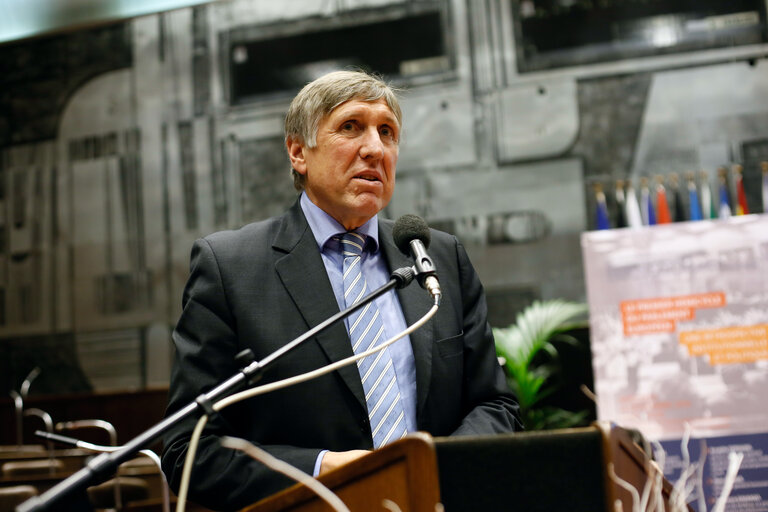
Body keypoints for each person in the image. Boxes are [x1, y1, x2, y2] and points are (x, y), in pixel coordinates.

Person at [161, 70, 521, 511]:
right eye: (351, 127)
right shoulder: (230, 268)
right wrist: (321, 470)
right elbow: (189, 451)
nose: (374, 148)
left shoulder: (436, 258)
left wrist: (436, 468)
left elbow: (496, 403)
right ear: (298, 152)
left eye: (386, 132)